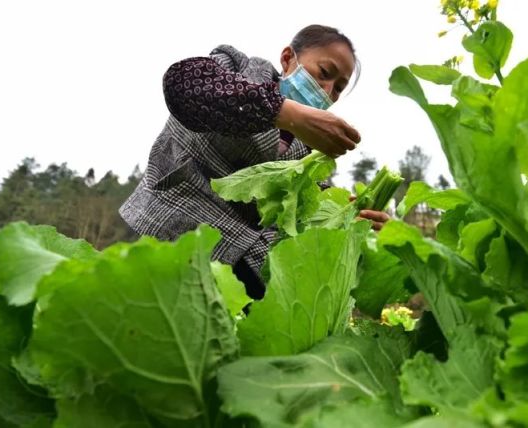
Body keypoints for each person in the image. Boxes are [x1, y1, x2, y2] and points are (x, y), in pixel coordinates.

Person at [119, 24, 389, 299]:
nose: (327, 90)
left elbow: (302, 220)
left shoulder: (312, 151)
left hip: (250, 280)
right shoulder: (237, 68)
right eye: (324, 73)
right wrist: (285, 113)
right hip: (176, 239)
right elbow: (183, 83)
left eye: (338, 89)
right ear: (287, 58)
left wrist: (350, 217)